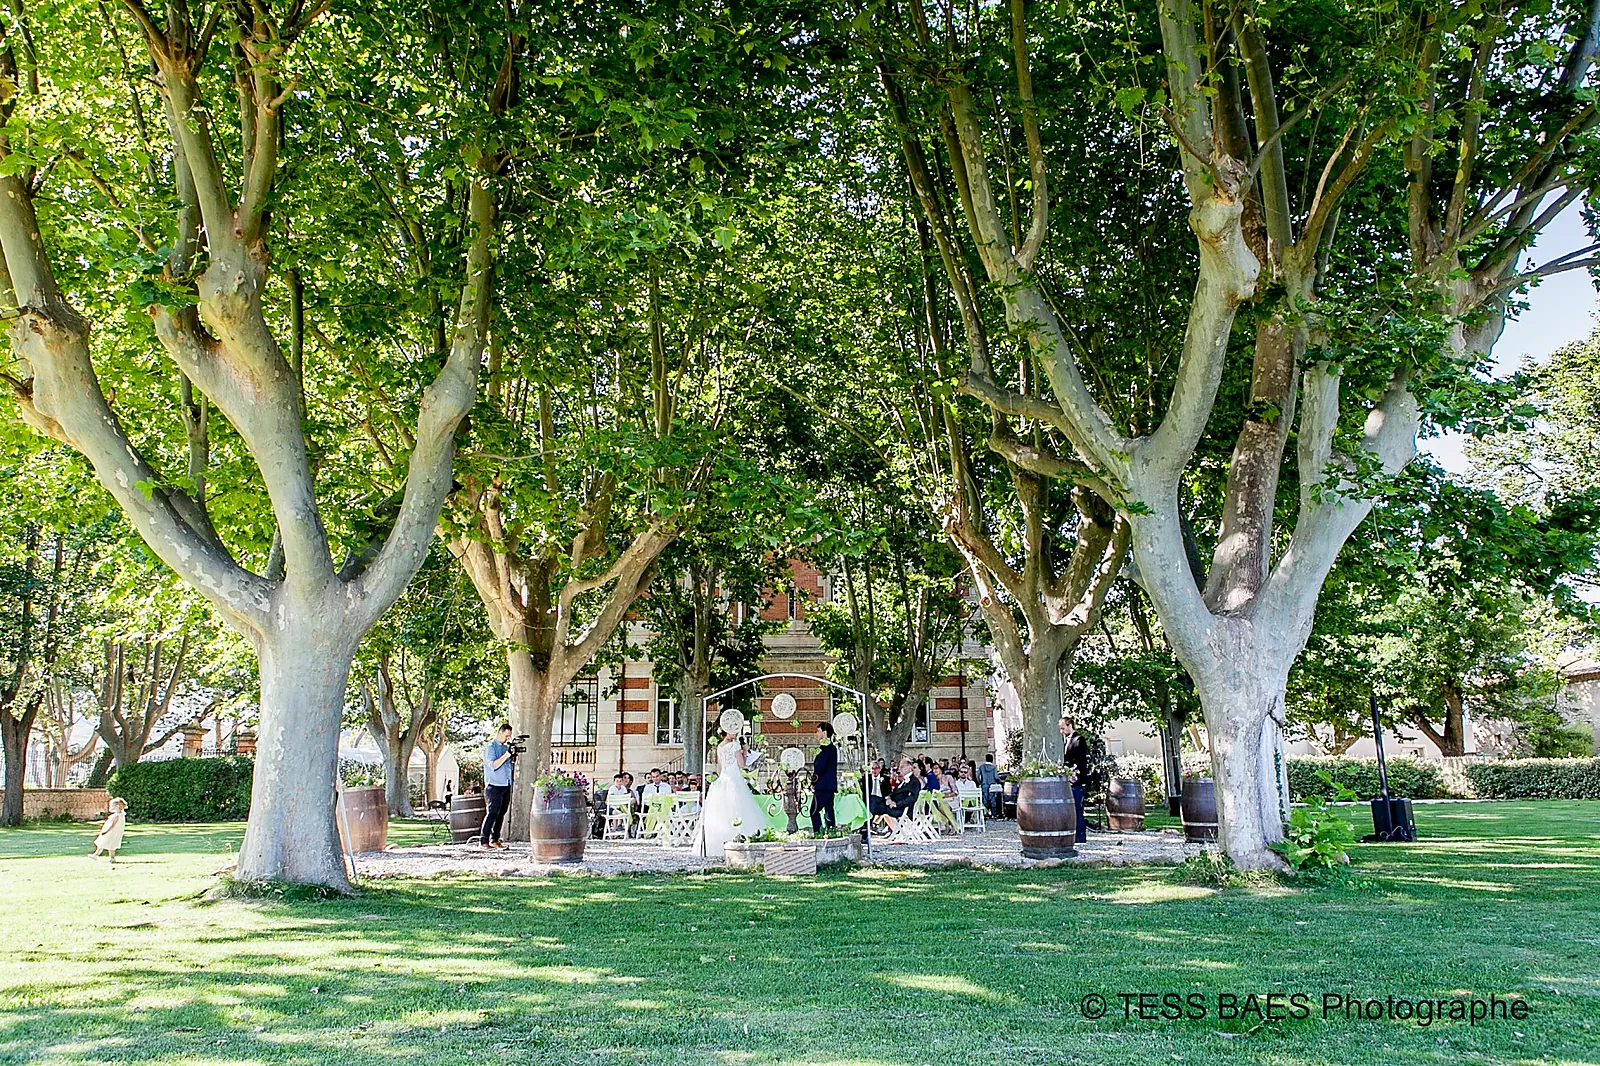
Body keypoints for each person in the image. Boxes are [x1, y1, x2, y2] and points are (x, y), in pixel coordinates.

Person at [694, 728, 767, 858]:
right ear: (727, 731)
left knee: (721, 812)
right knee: (740, 809)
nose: (736, 733)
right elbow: (742, 764)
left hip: (723, 778)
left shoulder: (720, 746)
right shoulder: (735, 745)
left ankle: (717, 844)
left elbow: (720, 766)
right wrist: (745, 751)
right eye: (734, 731)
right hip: (734, 779)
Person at [481, 723, 517, 849]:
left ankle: (495, 839)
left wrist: (513, 756)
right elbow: (493, 765)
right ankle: (484, 840)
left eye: (509, 736)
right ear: (500, 733)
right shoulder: (491, 748)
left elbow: (509, 765)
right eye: (506, 736)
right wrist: (507, 755)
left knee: (501, 813)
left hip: (506, 784)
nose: (508, 738)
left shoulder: (505, 748)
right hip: (494, 785)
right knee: (492, 813)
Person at [870, 756, 922, 836]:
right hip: (893, 805)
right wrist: (888, 798)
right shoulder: (904, 780)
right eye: (899, 767)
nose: (899, 769)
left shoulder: (914, 781)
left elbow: (912, 798)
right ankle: (868, 825)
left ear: (909, 767)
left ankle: (867, 827)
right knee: (873, 799)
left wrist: (896, 804)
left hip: (901, 809)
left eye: (902, 767)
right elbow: (895, 792)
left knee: (873, 803)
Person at [1060, 715, 1089, 844]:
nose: (1061, 731)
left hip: (1077, 779)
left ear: (1069, 725)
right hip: (1070, 778)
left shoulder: (1079, 740)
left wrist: (1074, 774)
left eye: (1063, 728)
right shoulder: (1065, 741)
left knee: (1077, 807)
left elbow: (1080, 760)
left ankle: (1080, 836)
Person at [810, 722, 838, 832]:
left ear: (824, 732)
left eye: (818, 731)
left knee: (814, 810)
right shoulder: (831, 748)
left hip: (823, 785)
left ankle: (818, 832)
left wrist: (813, 781)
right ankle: (831, 831)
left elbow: (820, 767)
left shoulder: (826, 748)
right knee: (828, 811)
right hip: (829, 785)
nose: (816, 734)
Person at [89, 797, 128, 862]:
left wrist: (106, 831)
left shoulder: (117, 816)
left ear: (117, 806)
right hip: (113, 832)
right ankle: (98, 855)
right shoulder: (121, 815)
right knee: (108, 844)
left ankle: (103, 856)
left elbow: (112, 825)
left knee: (106, 843)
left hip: (111, 832)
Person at [976, 753, 1002, 818]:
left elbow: (977, 775)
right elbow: (996, 777)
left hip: (984, 785)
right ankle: (994, 814)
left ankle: (985, 814)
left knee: (984, 800)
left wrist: (980, 782)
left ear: (986, 759)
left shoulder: (982, 767)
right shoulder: (993, 768)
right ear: (992, 760)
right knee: (993, 800)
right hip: (992, 786)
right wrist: (1000, 781)